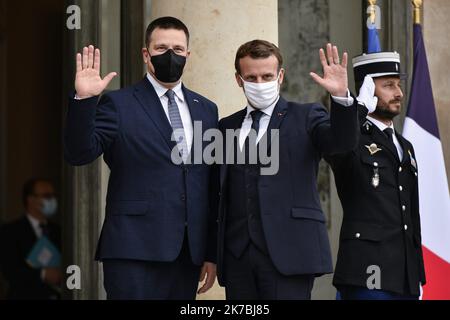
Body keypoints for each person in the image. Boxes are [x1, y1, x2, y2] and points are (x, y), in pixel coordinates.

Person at [64, 17, 218, 300]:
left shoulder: (206, 109)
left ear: (188, 55)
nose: (170, 55)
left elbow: (206, 183)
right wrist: (85, 101)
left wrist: (210, 251)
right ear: (146, 54)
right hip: (133, 251)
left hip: (186, 255)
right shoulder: (119, 104)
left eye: (177, 49)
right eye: (161, 48)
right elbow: (79, 153)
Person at [216, 40, 359, 300]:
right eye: (251, 77)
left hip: (290, 253)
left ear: (280, 76)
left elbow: (341, 144)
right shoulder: (226, 126)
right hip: (238, 257)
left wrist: (340, 97)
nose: (260, 83)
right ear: (239, 80)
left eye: (267, 76)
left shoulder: (306, 116)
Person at [327, 52, 426, 300]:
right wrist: (357, 109)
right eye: (388, 85)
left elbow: (411, 215)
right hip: (367, 271)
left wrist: (417, 273)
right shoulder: (353, 138)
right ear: (368, 90)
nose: (399, 93)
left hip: (404, 275)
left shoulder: (405, 146)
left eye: (398, 84)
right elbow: (336, 147)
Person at [0, 178, 62, 300]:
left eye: (53, 195)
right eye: (46, 196)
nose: (52, 200)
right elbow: (10, 271)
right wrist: (43, 274)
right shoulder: (10, 231)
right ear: (31, 199)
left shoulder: (58, 231)